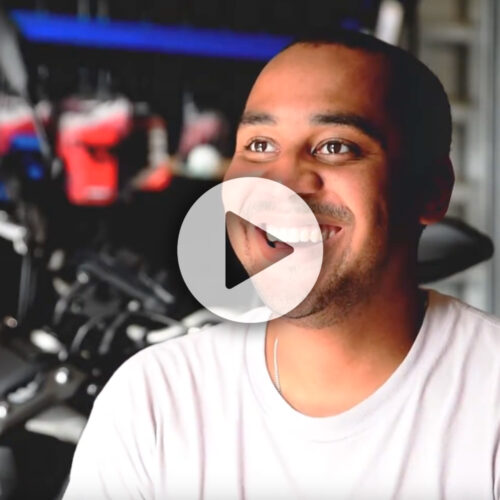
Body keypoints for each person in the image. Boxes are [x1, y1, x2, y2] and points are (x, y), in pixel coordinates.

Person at [63, 30, 500, 499]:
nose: (282, 182)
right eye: (259, 145)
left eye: (335, 146)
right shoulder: (155, 401)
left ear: (432, 190)